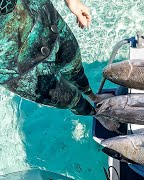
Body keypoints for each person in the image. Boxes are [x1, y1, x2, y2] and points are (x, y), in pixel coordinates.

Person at [0, 0, 118, 130]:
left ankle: (93, 96)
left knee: (75, 67)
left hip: (45, 20)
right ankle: (96, 114)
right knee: (67, 99)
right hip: (12, 65)